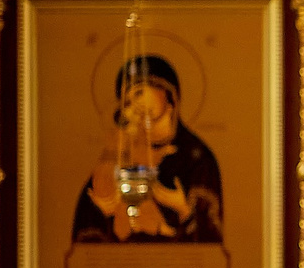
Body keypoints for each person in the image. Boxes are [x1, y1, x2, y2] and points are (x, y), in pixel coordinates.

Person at [73, 53, 225, 244]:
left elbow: (211, 241)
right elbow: (88, 226)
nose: (135, 106)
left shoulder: (198, 159)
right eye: (127, 102)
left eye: (139, 93)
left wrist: (183, 209)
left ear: (167, 92)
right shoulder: (122, 154)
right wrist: (105, 212)